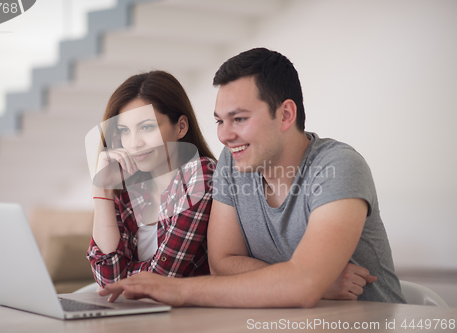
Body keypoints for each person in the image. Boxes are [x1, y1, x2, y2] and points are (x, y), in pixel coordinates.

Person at [98, 50, 406, 307]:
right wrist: (299, 278)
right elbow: (222, 264)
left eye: (239, 119)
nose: (224, 135)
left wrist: (176, 290)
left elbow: (305, 285)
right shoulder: (232, 165)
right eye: (220, 121)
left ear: (286, 115)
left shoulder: (338, 166)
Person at [86, 71, 217, 286]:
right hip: (135, 310)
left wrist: (124, 272)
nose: (134, 143)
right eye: (124, 131)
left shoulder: (199, 174)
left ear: (181, 127)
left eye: (147, 127)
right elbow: (107, 278)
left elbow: (161, 277)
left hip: (185, 314)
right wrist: (102, 190)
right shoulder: (127, 187)